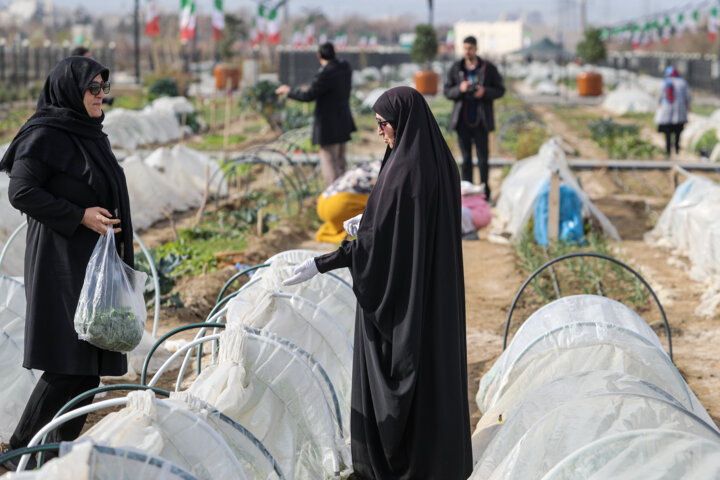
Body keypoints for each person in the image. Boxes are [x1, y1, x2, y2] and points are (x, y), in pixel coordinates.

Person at [283, 86, 472, 479]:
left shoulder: (403, 173)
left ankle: (397, 463)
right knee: (434, 376)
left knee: (402, 374)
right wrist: (370, 221)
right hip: (434, 297)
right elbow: (402, 228)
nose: (381, 131)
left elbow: (376, 248)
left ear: (401, 121)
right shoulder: (440, 163)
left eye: (384, 124)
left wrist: (323, 262)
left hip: (403, 302)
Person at [0, 56, 133, 470]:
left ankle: (47, 459)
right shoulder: (45, 135)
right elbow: (21, 192)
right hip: (62, 266)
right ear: (69, 91)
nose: (100, 95)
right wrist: (80, 215)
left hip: (91, 266)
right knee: (68, 366)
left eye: (103, 87)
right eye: (92, 88)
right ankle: (20, 452)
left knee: (86, 372)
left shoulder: (91, 132)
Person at [275, 42, 356, 186]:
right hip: (343, 121)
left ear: (319, 56)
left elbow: (308, 95)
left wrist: (289, 91)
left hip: (328, 125)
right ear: (335, 54)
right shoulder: (345, 68)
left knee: (329, 162)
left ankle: (334, 197)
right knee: (340, 161)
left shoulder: (325, 74)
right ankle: (345, 194)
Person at [444, 35, 505, 202]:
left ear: (476, 49)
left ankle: (485, 193)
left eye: (469, 48)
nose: (466, 52)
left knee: (483, 159)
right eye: (464, 48)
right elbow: (447, 92)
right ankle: (468, 194)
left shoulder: (488, 68)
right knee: (466, 160)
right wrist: (460, 89)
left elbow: (500, 90)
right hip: (462, 121)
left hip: (481, 121)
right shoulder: (456, 68)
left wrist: (484, 92)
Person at [315, 160, 381, 243]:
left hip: (322, 200)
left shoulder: (372, 164)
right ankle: (347, 234)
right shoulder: (389, 170)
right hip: (337, 205)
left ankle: (333, 231)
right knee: (375, 209)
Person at [654, 65, 690, 157]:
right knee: (678, 130)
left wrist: (659, 105)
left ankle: (668, 148)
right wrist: (687, 107)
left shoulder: (664, 83)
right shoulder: (683, 83)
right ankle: (677, 147)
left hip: (667, 110)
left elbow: (660, 96)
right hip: (679, 110)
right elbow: (687, 97)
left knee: (668, 131)